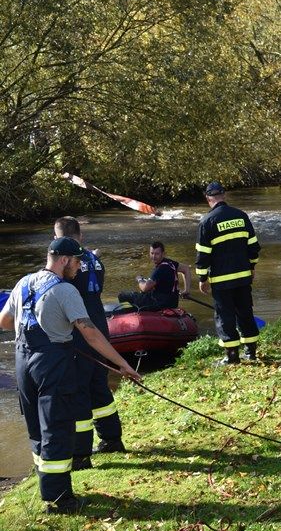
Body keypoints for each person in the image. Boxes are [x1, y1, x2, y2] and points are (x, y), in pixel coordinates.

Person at [0, 238, 142, 514]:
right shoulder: (65, 290)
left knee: (36, 425)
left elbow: (4, 321)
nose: (79, 267)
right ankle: (60, 499)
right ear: (64, 260)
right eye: (77, 262)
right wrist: (122, 364)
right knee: (57, 427)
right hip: (51, 362)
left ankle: (44, 482)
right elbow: (90, 333)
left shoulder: (23, 284)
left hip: (22, 360)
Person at [53, 217, 123, 461]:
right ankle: (112, 438)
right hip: (100, 326)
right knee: (99, 385)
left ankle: (81, 453)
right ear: (80, 235)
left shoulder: (67, 262)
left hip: (81, 331)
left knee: (79, 389)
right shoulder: (96, 260)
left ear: (59, 237)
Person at [195, 182, 261, 364]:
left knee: (225, 316)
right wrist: (252, 266)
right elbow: (253, 247)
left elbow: (203, 254)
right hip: (243, 276)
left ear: (208, 198)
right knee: (245, 312)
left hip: (221, 279)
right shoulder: (241, 216)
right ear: (224, 195)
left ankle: (232, 357)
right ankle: (251, 353)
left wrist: (202, 278)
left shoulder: (207, 221)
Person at [118, 242, 191, 311]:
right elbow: (186, 269)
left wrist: (140, 279)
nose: (153, 256)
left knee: (122, 295)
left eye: (157, 254)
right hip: (173, 302)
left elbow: (145, 288)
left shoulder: (160, 269)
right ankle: (136, 311)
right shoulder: (171, 263)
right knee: (143, 294)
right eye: (152, 253)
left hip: (159, 303)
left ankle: (130, 313)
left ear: (163, 254)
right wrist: (186, 290)